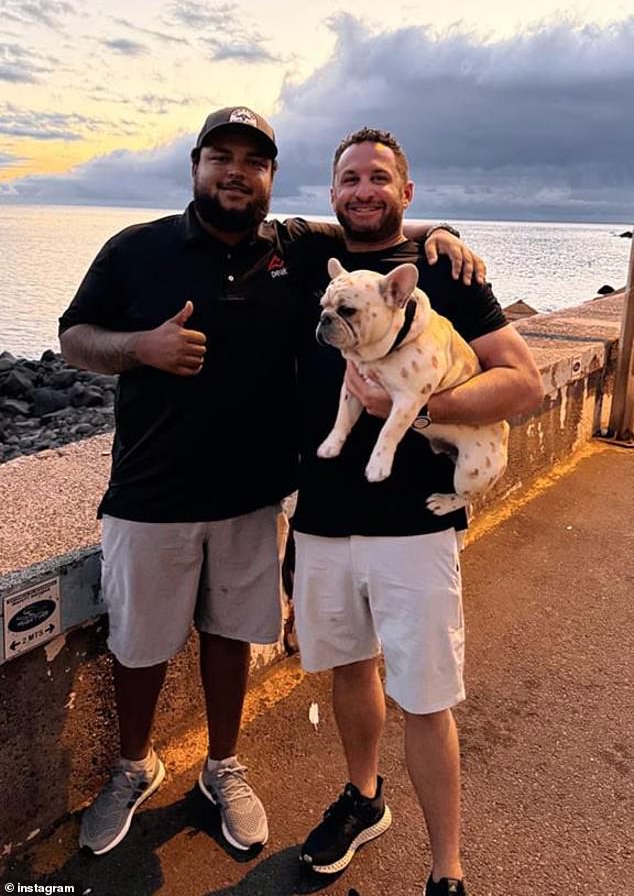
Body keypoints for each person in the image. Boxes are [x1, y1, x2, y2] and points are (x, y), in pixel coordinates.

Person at [58, 107, 480, 857]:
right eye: (220, 156)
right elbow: (74, 337)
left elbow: (375, 234)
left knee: (231, 639)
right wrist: (141, 347)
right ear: (195, 166)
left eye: (253, 161)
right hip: (149, 490)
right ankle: (134, 766)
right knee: (139, 643)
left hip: (253, 495)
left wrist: (438, 236)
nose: (235, 171)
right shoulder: (137, 247)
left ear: (272, 179)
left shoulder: (293, 244)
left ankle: (224, 766)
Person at [291, 128, 544, 896]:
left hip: (413, 527)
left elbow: (524, 385)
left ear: (407, 190)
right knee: (349, 669)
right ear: (332, 194)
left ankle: (447, 870)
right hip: (326, 518)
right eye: (349, 179)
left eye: (380, 178)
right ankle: (363, 798)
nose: (364, 190)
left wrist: (423, 409)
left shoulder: (445, 274)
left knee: (428, 696)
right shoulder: (314, 263)